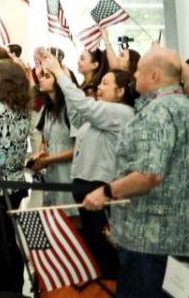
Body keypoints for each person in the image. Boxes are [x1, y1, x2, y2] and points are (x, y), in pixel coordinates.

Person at [82, 49, 189, 296]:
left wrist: (107, 192)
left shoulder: (156, 113)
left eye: (139, 69)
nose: (134, 74)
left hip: (150, 246)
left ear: (153, 75)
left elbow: (149, 174)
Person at [39, 51, 134, 280]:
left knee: (106, 252)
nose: (99, 87)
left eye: (105, 83)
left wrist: (61, 74)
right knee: (93, 252)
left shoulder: (121, 112)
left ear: (120, 92)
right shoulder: (100, 113)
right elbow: (78, 114)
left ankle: (112, 289)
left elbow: (86, 108)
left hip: (100, 190)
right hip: (83, 188)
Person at [0, 59, 33, 295]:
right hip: (16, 182)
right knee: (9, 238)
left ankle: (5, 288)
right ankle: (15, 285)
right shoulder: (23, 109)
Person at [32, 62, 77, 210]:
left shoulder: (70, 109)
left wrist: (48, 159)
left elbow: (78, 149)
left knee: (71, 222)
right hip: (52, 176)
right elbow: (45, 140)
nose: (41, 80)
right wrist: (41, 153)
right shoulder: (47, 109)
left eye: (47, 76)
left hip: (70, 176)